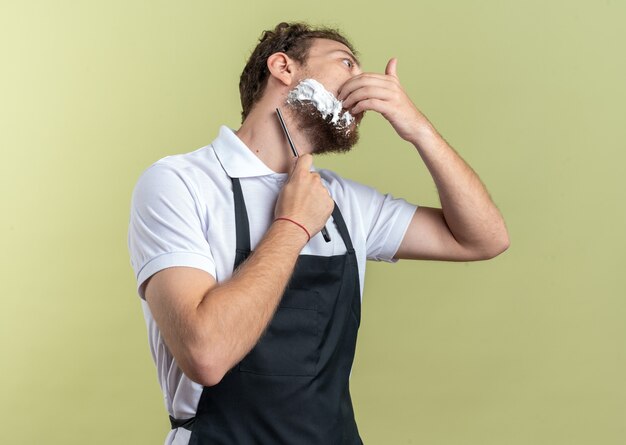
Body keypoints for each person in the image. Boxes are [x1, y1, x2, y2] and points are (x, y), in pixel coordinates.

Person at [127, 21, 509, 445]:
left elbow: (483, 237)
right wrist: (292, 225)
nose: (364, 82)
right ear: (283, 68)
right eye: (345, 63)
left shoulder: (343, 201)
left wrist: (418, 129)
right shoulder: (180, 183)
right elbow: (206, 354)